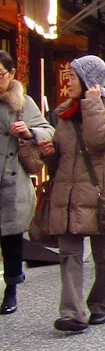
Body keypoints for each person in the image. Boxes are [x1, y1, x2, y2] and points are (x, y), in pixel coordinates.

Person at [43, 55, 105, 332]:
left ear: (89, 81)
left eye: (72, 77)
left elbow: (100, 139)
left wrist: (91, 103)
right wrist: (49, 153)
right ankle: (72, 313)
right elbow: (61, 160)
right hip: (67, 192)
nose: (67, 82)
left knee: (104, 256)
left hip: (101, 193)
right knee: (69, 253)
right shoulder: (64, 115)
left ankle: (100, 304)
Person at [0, 49, 55, 315]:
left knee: (11, 239)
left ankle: (11, 289)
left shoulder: (23, 102)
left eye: (0, 74)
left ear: (11, 74)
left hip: (12, 181)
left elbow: (49, 130)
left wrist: (30, 132)